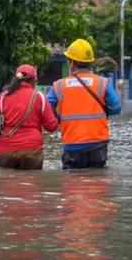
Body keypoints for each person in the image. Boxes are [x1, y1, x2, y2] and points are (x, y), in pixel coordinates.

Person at [47, 39, 121, 170]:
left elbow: (47, 109)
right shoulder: (103, 83)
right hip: (98, 144)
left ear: (72, 63)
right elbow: (116, 108)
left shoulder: (59, 85)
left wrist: (59, 116)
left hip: (72, 145)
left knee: (72, 186)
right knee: (96, 184)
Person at [0, 64, 59, 170]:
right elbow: (51, 127)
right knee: (31, 184)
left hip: (5, 151)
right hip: (31, 151)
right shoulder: (40, 97)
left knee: (5, 184)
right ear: (34, 80)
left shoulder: (3, 96)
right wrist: (59, 117)